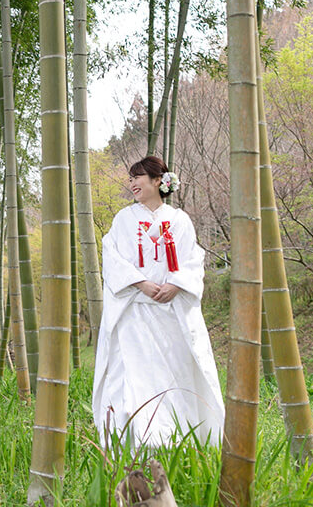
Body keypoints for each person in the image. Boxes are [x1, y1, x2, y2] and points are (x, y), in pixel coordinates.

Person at [90, 155, 224, 447]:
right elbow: (112, 256)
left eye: (138, 177)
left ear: (157, 181)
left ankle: (182, 438)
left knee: (177, 373)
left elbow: (193, 257)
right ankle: (134, 440)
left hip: (171, 312)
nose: (132, 183)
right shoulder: (124, 219)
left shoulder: (179, 220)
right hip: (135, 312)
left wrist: (176, 284)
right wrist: (142, 283)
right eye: (130, 178)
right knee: (132, 375)